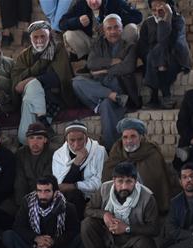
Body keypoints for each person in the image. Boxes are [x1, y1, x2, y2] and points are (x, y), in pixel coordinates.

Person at [82, 161, 160, 248]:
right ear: (114, 181)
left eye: (129, 181)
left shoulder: (147, 197)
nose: (124, 186)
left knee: (146, 244)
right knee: (87, 224)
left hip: (132, 240)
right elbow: (88, 210)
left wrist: (127, 228)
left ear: (135, 181)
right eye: (120, 181)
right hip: (108, 237)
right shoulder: (104, 189)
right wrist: (104, 214)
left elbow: (154, 229)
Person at [72, 14, 139, 149]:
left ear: (121, 29)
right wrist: (112, 62)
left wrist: (103, 71)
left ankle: (110, 148)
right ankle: (109, 95)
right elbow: (91, 63)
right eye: (109, 28)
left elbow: (127, 67)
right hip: (102, 87)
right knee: (76, 82)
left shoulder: (130, 46)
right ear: (104, 30)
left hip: (119, 87)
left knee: (107, 105)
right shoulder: (98, 44)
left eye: (116, 28)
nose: (113, 31)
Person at [3, 175, 83, 248]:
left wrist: (54, 241)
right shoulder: (27, 204)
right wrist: (36, 238)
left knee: (82, 235)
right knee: (8, 236)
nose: (42, 195)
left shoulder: (67, 207)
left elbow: (73, 231)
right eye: (39, 191)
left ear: (55, 192)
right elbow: (18, 226)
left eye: (47, 191)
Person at [12, 21, 75, 144]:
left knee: (32, 86)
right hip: (31, 97)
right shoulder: (24, 56)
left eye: (43, 36)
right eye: (35, 37)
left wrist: (33, 79)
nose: (39, 40)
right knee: (32, 88)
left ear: (49, 36)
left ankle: (28, 137)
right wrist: (33, 79)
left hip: (52, 99)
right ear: (30, 38)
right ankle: (43, 121)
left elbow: (59, 77)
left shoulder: (58, 49)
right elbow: (16, 84)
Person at [103, 118, 176, 216]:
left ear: (141, 137)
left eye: (133, 136)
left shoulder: (152, 153)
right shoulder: (116, 152)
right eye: (125, 137)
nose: (129, 141)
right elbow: (107, 177)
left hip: (145, 206)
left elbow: (158, 183)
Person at [136, 0, 192, 108]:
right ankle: (166, 96)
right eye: (154, 8)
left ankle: (155, 98)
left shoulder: (178, 20)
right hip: (153, 60)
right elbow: (142, 47)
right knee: (154, 58)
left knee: (159, 53)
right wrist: (151, 56)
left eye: (160, 7)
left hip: (176, 57)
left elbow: (168, 42)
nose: (157, 11)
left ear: (168, 6)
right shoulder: (148, 23)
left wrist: (165, 19)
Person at [52, 121, 108, 218]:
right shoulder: (59, 155)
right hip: (70, 198)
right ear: (66, 139)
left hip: (94, 197)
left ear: (86, 138)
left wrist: (75, 186)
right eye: (72, 140)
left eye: (80, 139)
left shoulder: (99, 151)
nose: (76, 144)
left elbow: (100, 183)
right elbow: (61, 186)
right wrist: (76, 162)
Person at [59, 0, 143, 60]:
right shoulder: (80, 4)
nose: (93, 2)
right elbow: (61, 24)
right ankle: (89, 60)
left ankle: (120, 58)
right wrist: (77, 21)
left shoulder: (114, 1)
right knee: (69, 34)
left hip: (115, 43)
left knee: (132, 28)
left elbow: (138, 16)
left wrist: (114, 21)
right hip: (93, 45)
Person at [14, 122, 55, 203]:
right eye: (31, 138)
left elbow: (46, 180)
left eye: (39, 138)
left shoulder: (52, 154)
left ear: (45, 140)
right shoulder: (20, 154)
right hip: (24, 196)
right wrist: (23, 204)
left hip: (44, 195)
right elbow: (20, 181)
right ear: (27, 140)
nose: (35, 142)